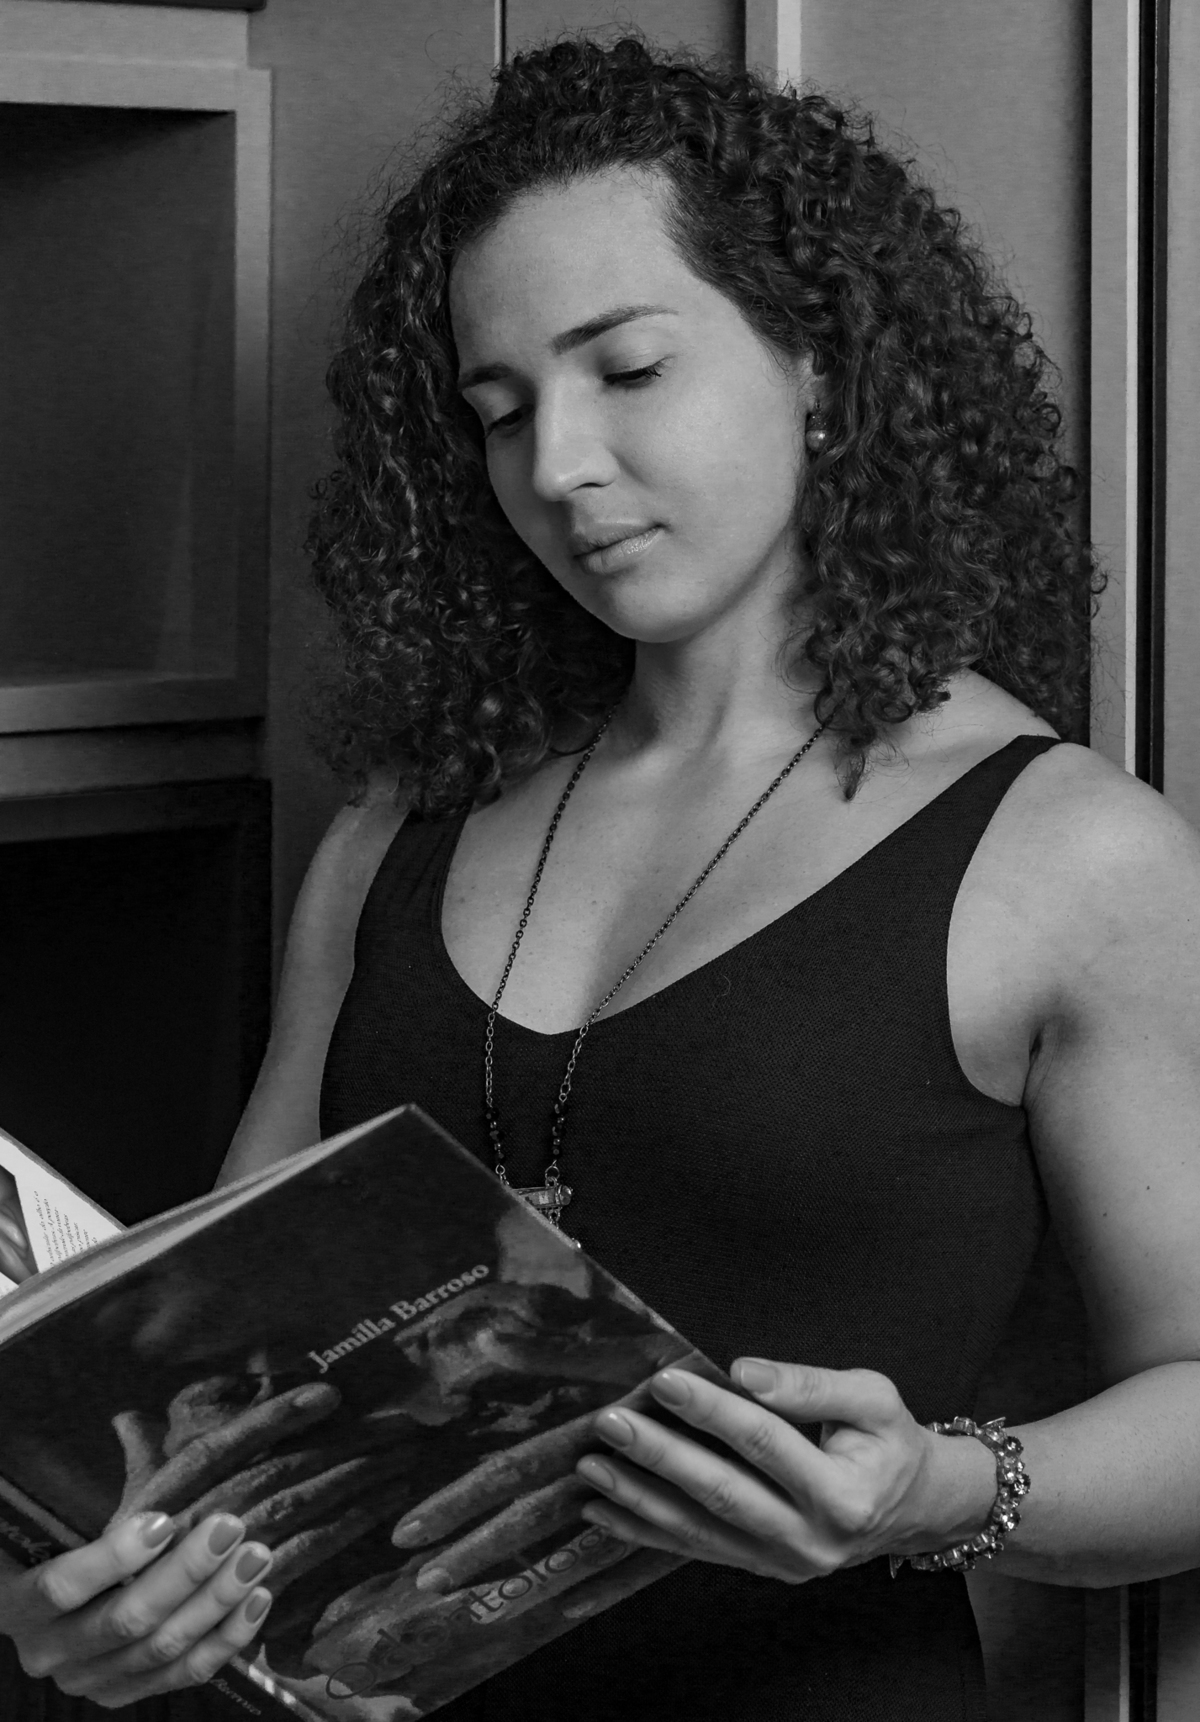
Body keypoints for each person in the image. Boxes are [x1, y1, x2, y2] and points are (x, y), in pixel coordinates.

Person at [3, 29, 1200, 1721]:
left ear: (821, 363)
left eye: (627, 369)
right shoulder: (397, 828)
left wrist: (937, 1490)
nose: (557, 463)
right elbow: (214, 1363)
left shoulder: (1070, 852)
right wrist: (95, 1601)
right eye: (500, 412)